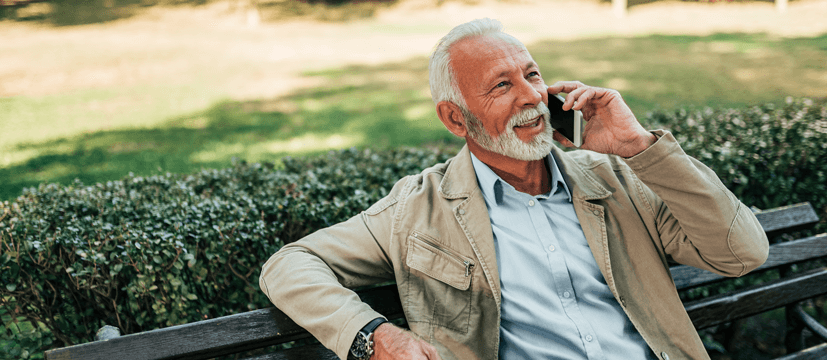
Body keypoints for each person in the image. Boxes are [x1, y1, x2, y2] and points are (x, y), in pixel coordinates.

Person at [259, 18, 769, 360]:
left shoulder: (618, 177)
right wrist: (374, 339)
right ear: (455, 118)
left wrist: (639, 147)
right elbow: (289, 266)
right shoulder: (416, 211)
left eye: (532, 74)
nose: (531, 97)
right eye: (502, 85)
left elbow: (742, 252)